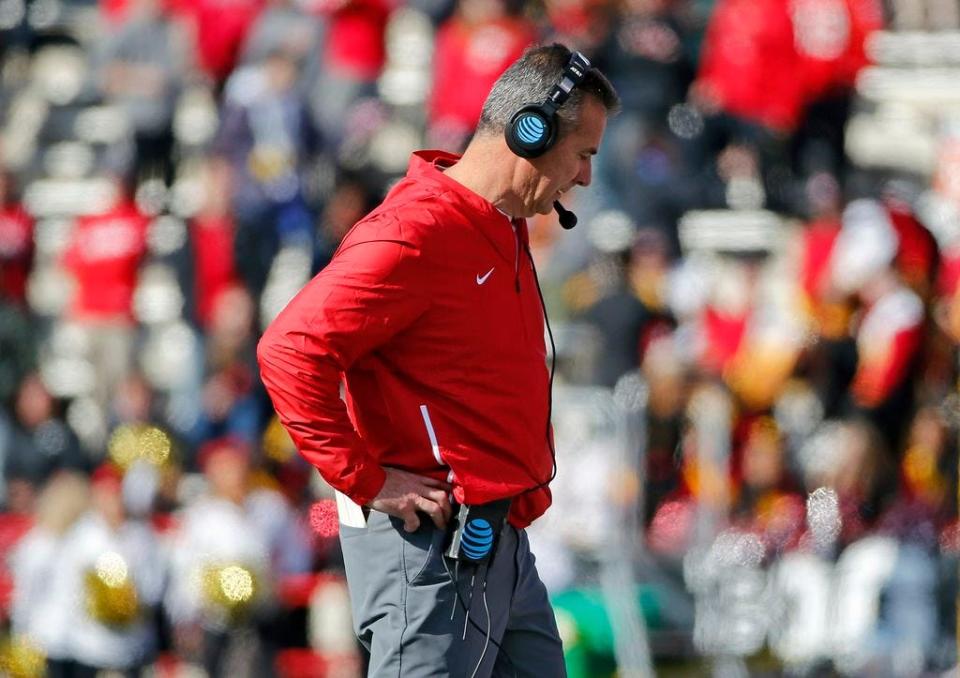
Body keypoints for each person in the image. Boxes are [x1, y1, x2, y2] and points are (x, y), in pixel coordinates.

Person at [257, 43, 619, 676]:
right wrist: (366, 479)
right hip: (426, 552)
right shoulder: (416, 232)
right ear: (529, 132)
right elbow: (289, 350)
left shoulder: (496, 221)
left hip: (497, 546)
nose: (586, 176)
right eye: (583, 153)